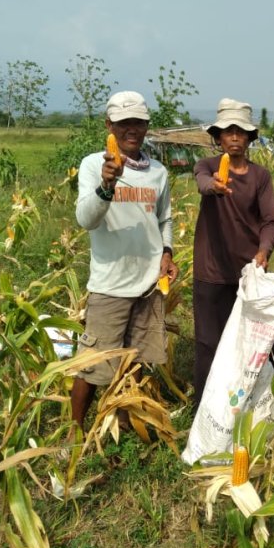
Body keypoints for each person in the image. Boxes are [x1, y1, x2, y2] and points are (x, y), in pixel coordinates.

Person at [71, 91, 178, 428]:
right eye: (123, 123)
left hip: (148, 283)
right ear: (109, 125)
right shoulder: (93, 165)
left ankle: (125, 422)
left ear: (147, 125)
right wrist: (107, 184)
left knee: (137, 358)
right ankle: (75, 431)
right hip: (111, 284)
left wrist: (167, 252)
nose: (132, 129)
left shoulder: (157, 172)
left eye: (139, 122)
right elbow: (86, 220)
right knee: (92, 364)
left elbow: (165, 218)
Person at [191, 98, 274, 410]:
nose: (234, 137)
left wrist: (263, 250)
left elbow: (270, 221)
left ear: (249, 138)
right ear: (218, 137)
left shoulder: (260, 177)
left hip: (248, 272)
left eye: (240, 132)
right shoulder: (207, 167)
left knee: (252, 344)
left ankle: (252, 406)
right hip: (211, 272)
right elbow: (202, 182)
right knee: (208, 343)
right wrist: (214, 186)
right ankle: (204, 409)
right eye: (227, 131)